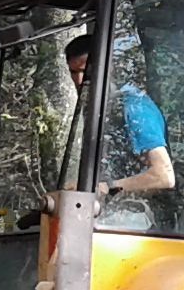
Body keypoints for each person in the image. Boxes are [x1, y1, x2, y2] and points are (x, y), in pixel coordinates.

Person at [65, 33, 173, 195]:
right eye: (73, 72)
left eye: (85, 72)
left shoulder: (133, 107)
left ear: (106, 68)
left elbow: (163, 176)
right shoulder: (96, 105)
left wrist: (106, 188)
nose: (79, 81)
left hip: (142, 207)